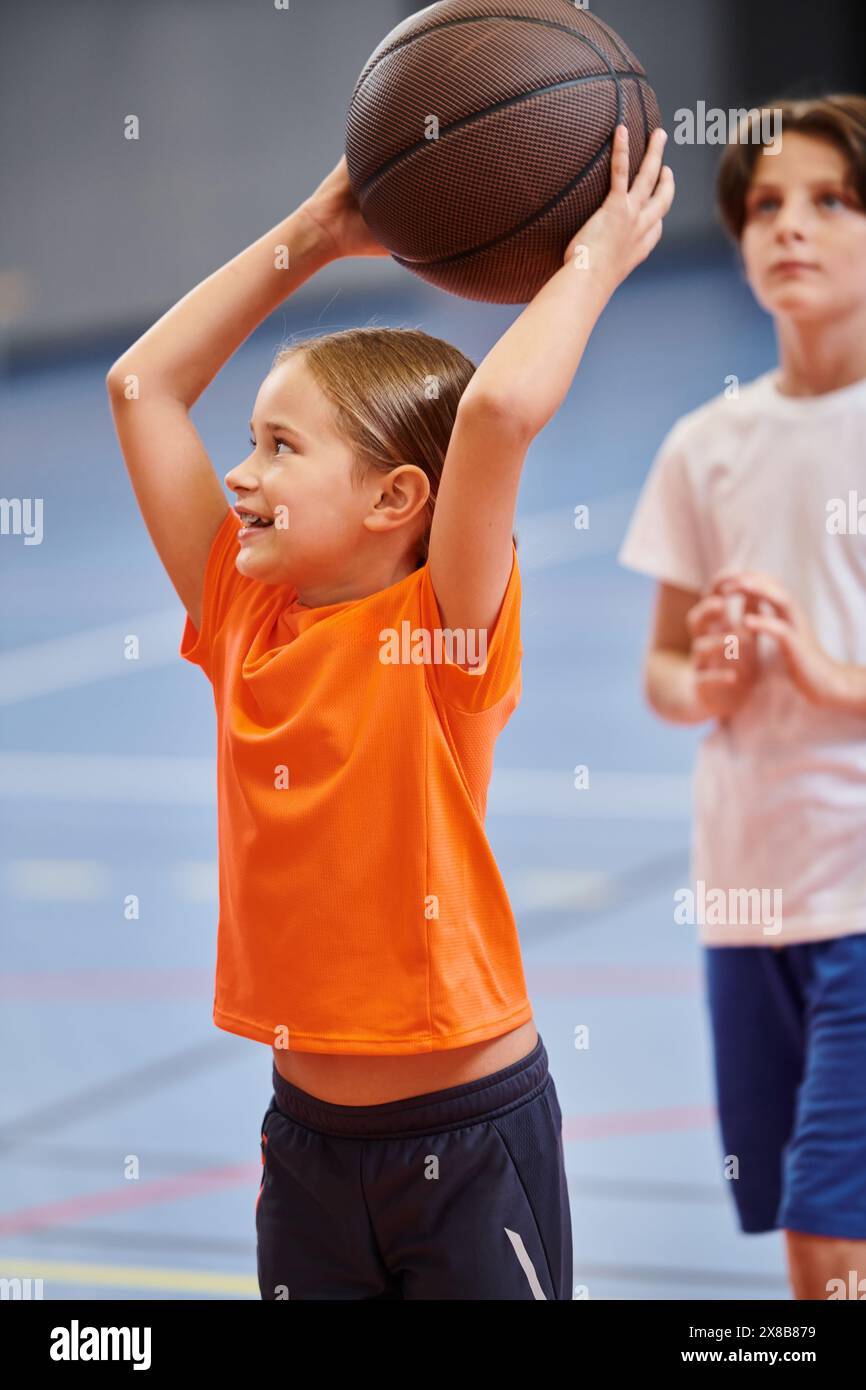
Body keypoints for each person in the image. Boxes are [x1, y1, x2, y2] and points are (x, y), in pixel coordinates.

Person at [107, 123, 673, 1300]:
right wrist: (312, 237)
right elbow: (141, 385)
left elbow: (498, 415)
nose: (238, 474)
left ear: (395, 497)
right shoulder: (243, 618)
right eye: (248, 441)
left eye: (278, 447)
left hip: (464, 1136)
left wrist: (595, 259)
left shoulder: (445, 636)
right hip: (306, 1140)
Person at [619, 95, 866, 1301]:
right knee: (804, 1234)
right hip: (747, 895)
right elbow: (662, 672)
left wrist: (832, 680)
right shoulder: (701, 444)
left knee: (831, 1234)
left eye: (829, 201)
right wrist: (703, 678)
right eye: (764, 206)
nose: (789, 228)